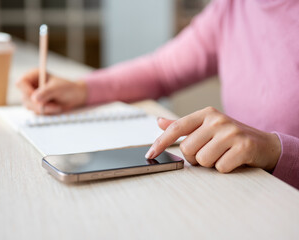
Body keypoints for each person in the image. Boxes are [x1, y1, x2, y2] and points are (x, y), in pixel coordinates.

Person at [17, 0, 299, 189]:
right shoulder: (233, 7)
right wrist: (82, 89)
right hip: (246, 193)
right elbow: (162, 69)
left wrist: (275, 150)